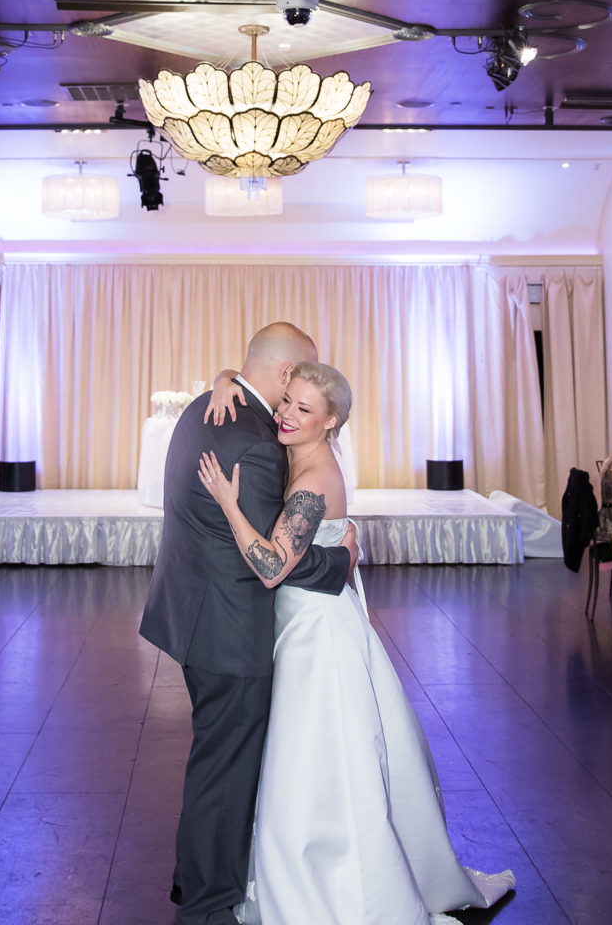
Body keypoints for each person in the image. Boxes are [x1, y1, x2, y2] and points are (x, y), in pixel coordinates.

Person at [200, 360, 516, 925]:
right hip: (303, 623)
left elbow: (272, 566)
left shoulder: (317, 476)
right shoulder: (299, 455)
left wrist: (228, 503)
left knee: (321, 761)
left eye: (304, 408)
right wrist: (226, 378)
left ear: (331, 421)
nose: (287, 415)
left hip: (318, 637)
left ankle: (341, 892)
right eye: (287, 401)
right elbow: (243, 374)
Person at [139, 324, 357, 925]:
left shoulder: (203, 413)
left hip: (191, 614)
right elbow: (269, 559)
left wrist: (223, 376)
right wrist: (341, 558)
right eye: (302, 376)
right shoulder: (258, 441)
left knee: (218, 760)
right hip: (229, 630)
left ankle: (199, 882)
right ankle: (208, 906)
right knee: (225, 771)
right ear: (286, 376)